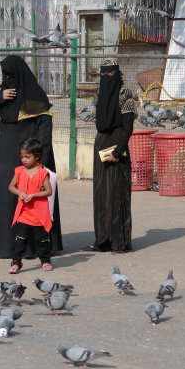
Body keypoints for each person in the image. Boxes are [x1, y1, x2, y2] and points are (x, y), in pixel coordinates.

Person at [0, 55, 63, 259]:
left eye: (11, 75)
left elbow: (45, 129)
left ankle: (36, 248)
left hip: (31, 159)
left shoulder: (36, 97)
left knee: (34, 202)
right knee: (8, 201)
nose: (8, 78)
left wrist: (39, 160)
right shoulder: (4, 97)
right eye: (5, 75)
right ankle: (8, 247)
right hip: (7, 158)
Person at [82, 58, 137, 253]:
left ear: (117, 73)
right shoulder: (100, 92)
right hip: (101, 145)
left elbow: (128, 128)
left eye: (110, 73)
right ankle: (102, 240)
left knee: (117, 194)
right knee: (101, 194)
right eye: (103, 73)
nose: (107, 77)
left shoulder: (125, 95)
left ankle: (119, 242)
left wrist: (117, 151)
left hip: (117, 147)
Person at [7, 138, 53, 273]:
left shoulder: (42, 172)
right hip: (23, 213)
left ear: (37, 156)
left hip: (39, 214)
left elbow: (49, 191)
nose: (24, 160)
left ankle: (45, 260)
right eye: (22, 156)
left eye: (27, 156)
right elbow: (11, 186)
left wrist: (33, 195)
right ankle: (16, 262)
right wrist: (20, 192)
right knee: (19, 240)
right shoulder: (19, 171)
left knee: (42, 240)